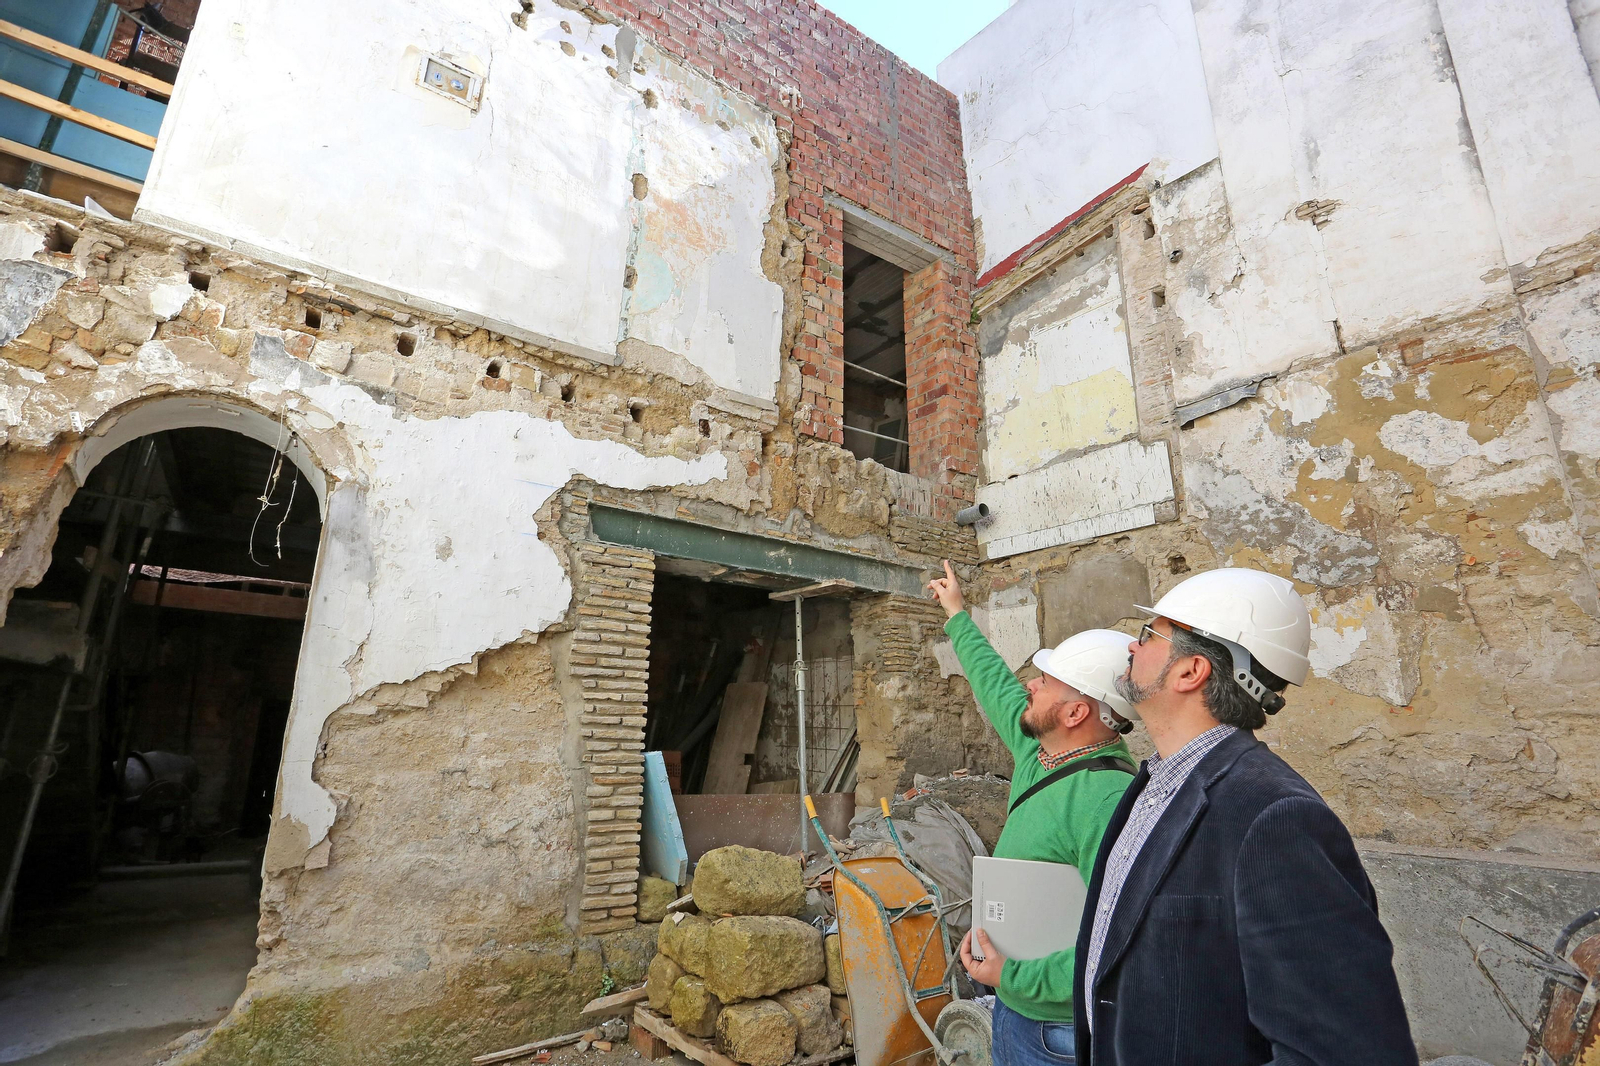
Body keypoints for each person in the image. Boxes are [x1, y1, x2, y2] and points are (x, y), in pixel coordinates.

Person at [1073, 567, 1417, 1066]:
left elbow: (1344, 1051)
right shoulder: (1153, 784)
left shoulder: (1275, 817)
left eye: (1150, 634)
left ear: (1191, 671)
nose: (1131, 646)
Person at [927, 560, 1137, 1066]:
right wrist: (957, 613)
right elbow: (994, 682)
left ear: (1074, 713)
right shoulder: (1038, 753)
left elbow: (1124, 944)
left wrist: (1012, 977)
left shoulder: (1106, 799)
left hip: (1058, 1030)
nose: (1030, 686)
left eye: (1045, 681)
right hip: (1015, 1008)